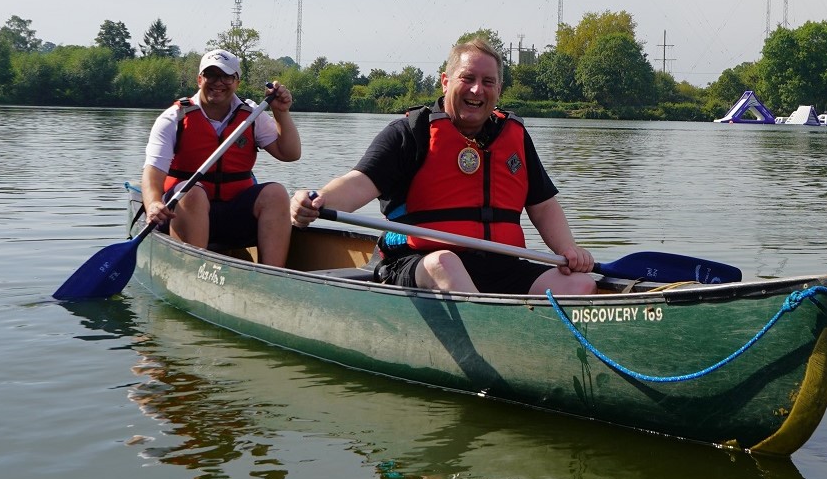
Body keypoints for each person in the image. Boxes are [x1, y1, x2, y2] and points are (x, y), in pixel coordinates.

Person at [290, 38, 597, 295]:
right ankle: (495, 346)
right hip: (417, 263)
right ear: (446, 81)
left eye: (487, 82)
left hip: (500, 265)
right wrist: (318, 200)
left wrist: (569, 249)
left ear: (499, 89)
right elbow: (358, 182)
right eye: (468, 78)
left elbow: (542, 206)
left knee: (580, 285)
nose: (477, 90)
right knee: (445, 264)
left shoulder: (513, 136)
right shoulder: (411, 132)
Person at [142, 48, 302, 267]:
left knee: (276, 193)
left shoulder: (252, 115)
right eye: (211, 75)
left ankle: (271, 277)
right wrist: (152, 204)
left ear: (237, 82)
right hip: (182, 213)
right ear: (200, 79)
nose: (218, 82)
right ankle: (192, 271)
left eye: (226, 76)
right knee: (191, 192)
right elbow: (153, 172)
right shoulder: (173, 118)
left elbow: (290, 154)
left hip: (233, 215)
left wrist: (281, 113)